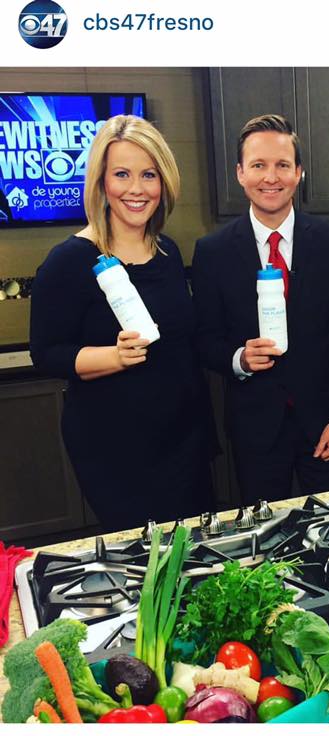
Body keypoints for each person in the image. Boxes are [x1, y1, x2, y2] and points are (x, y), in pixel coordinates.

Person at [30, 115, 216, 532]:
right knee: (144, 569)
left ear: (164, 182)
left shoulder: (166, 252)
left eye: (148, 174)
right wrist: (113, 356)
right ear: (101, 182)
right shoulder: (69, 261)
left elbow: (182, 343)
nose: (136, 189)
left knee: (190, 562)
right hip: (115, 450)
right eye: (122, 174)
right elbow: (46, 354)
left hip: (184, 441)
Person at [192, 114, 329, 505]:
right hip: (255, 431)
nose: (271, 177)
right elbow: (204, 341)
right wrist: (238, 357)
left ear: (298, 173)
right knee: (266, 540)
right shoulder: (212, 252)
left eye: (282, 165)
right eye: (258, 165)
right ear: (240, 173)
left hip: (326, 426)